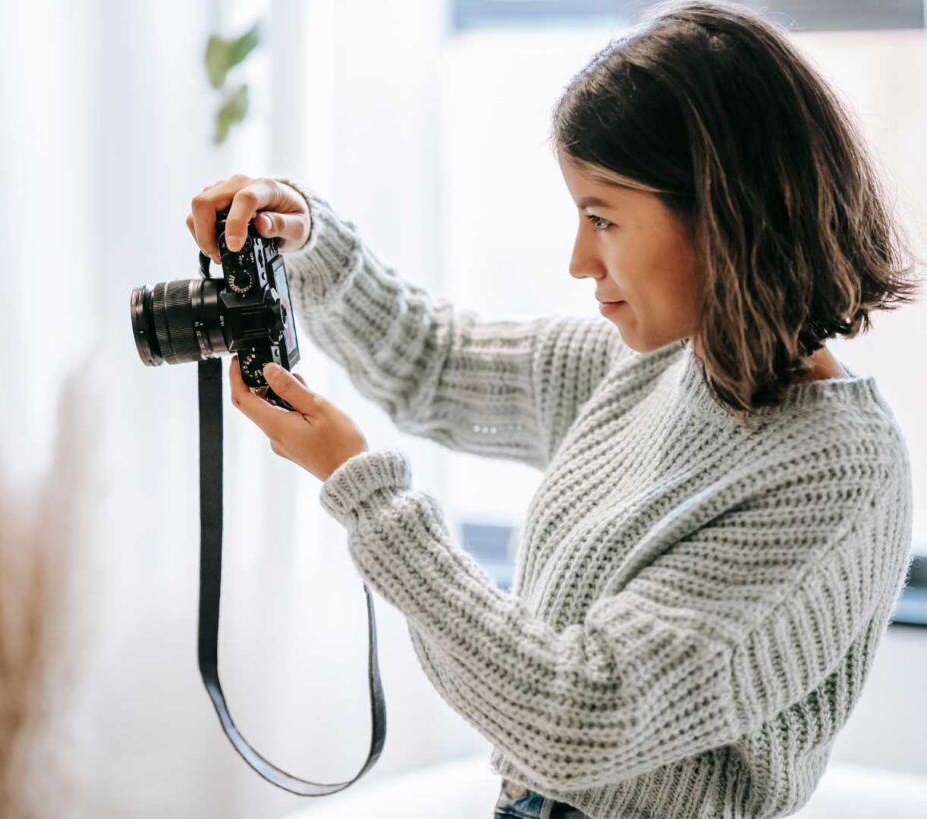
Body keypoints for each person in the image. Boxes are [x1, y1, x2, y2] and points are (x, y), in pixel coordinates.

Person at [185, 1, 923, 816]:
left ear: (723, 209)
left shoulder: (833, 471)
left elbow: (581, 716)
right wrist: (308, 236)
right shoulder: (660, 367)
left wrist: (363, 491)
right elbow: (435, 363)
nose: (579, 260)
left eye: (602, 218)